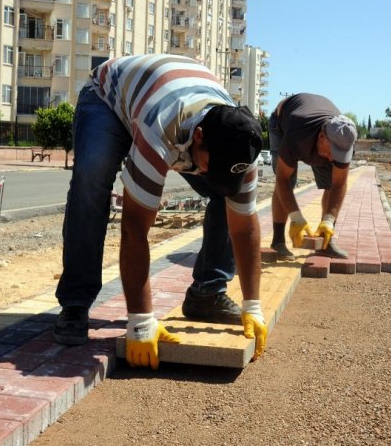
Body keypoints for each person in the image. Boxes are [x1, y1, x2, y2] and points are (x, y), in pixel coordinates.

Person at [53, 54, 267, 369]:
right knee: (92, 180)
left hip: (160, 94)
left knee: (227, 195)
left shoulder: (242, 146)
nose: (213, 175)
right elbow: (135, 227)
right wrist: (140, 320)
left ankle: (207, 294)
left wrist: (253, 306)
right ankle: (75, 302)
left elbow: (244, 228)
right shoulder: (162, 127)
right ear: (198, 137)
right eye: (212, 166)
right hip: (109, 99)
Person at [268, 93, 357, 260]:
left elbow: (339, 184)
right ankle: (278, 242)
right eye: (332, 151)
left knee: (331, 183)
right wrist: (296, 217)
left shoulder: (344, 138)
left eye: (340, 154)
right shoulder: (297, 132)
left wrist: (329, 220)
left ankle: (326, 242)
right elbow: (282, 180)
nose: (332, 158)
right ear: (322, 136)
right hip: (282, 123)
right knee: (289, 181)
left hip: (313, 126)